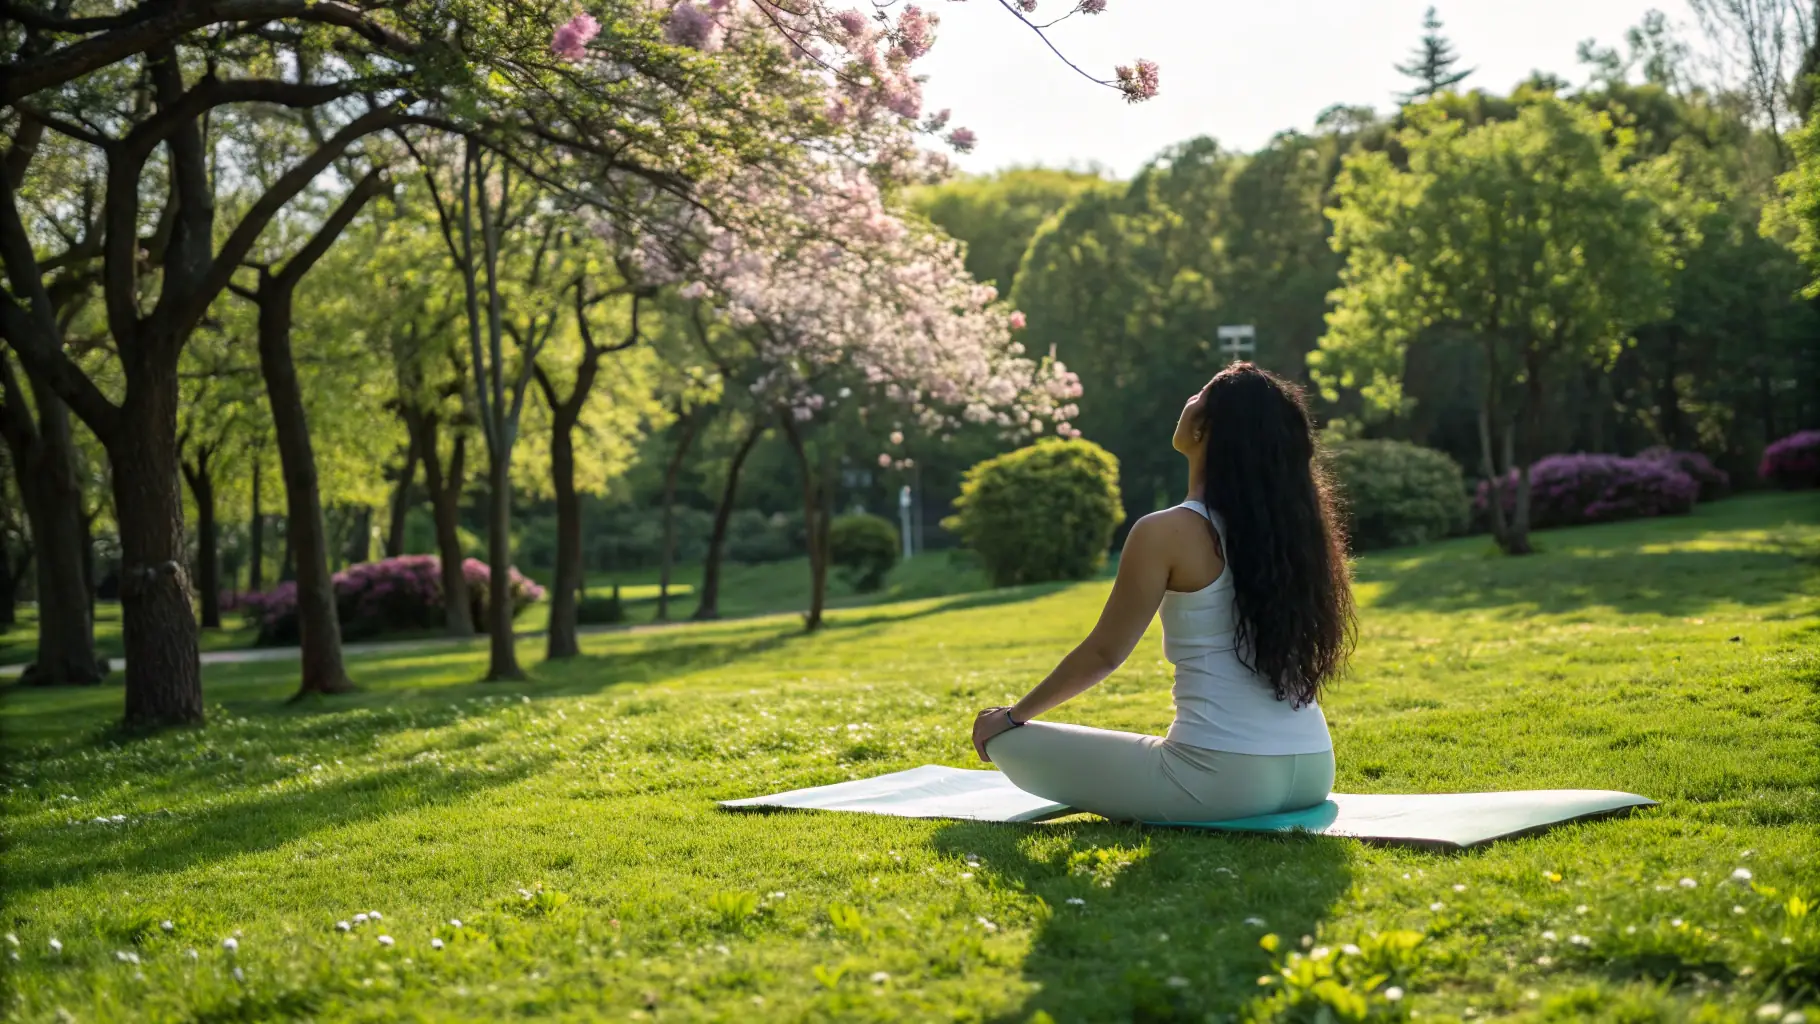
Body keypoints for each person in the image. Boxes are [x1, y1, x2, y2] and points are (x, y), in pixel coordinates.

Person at [970, 363, 1356, 823]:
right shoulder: (1295, 537)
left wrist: (1012, 716)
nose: (1188, 400)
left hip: (1221, 781)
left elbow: (1104, 653)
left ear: (1205, 428)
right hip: (1313, 768)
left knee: (1006, 740)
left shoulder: (1165, 531)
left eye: (1199, 394)